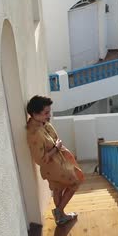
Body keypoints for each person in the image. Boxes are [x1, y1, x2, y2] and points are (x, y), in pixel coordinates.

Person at [26, 95, 84, 226]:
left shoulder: (41, 123)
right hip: (53, 167)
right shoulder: (34, 133)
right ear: (35, 113)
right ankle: (59, 212)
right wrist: (56, 148)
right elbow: (40, 160)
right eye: (46, 113)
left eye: (49, 111)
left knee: (57, 189)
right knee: (75, 182)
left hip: (56, 164)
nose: (49, 115)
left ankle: (61, 217)